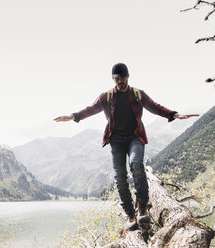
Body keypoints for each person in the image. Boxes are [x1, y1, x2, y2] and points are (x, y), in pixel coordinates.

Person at [54, 63, 199, 230]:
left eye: (122, 77)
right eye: (116, 78)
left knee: (136, 164)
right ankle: (130, 214)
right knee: (120, 177)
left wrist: (174, 114)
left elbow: (155, 106)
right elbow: (91, 109)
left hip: (135, 137)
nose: (120, 81)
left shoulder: (137, 94)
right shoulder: (106, 97)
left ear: (128, 76)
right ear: (113, 79)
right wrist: (73, 116)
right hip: (116, 140)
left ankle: (142, 208)